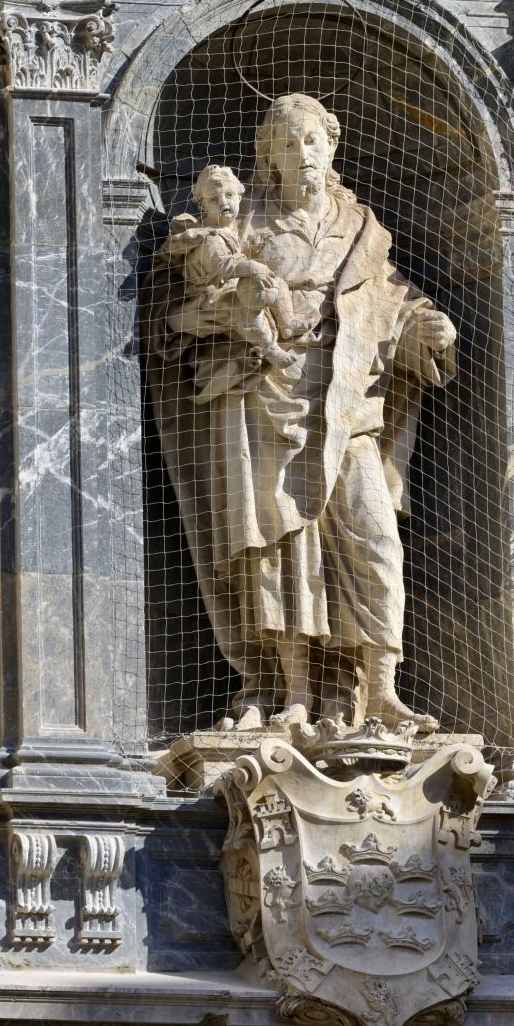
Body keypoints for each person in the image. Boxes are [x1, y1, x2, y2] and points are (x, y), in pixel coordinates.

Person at [147, 93, 457, 733]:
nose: (303, 155)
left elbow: (388, 300)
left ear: (332, 146)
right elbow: (186, 306)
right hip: (266, 396)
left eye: (312, 141)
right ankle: (290, 688)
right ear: (269, 156)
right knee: (279, 547)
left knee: (374, 537)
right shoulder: (243, 221)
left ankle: (378, 688)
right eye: (287, 145)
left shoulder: (361, 226)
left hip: (347, 400)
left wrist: (426, 325)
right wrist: (211, 318)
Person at [165, 164, 308, 387]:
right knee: (242, 309)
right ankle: (271, 349)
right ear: (202, 205)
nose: (223, 202)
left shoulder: (230, 229)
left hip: (230, 285)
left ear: (240, 196)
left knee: (277, 282)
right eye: (214, 199)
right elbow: (225, 265)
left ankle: (287, 322)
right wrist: (252, 266)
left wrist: (252, 252)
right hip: (209, 294)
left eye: (229, 195)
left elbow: (236, 254)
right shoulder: (210, 237)